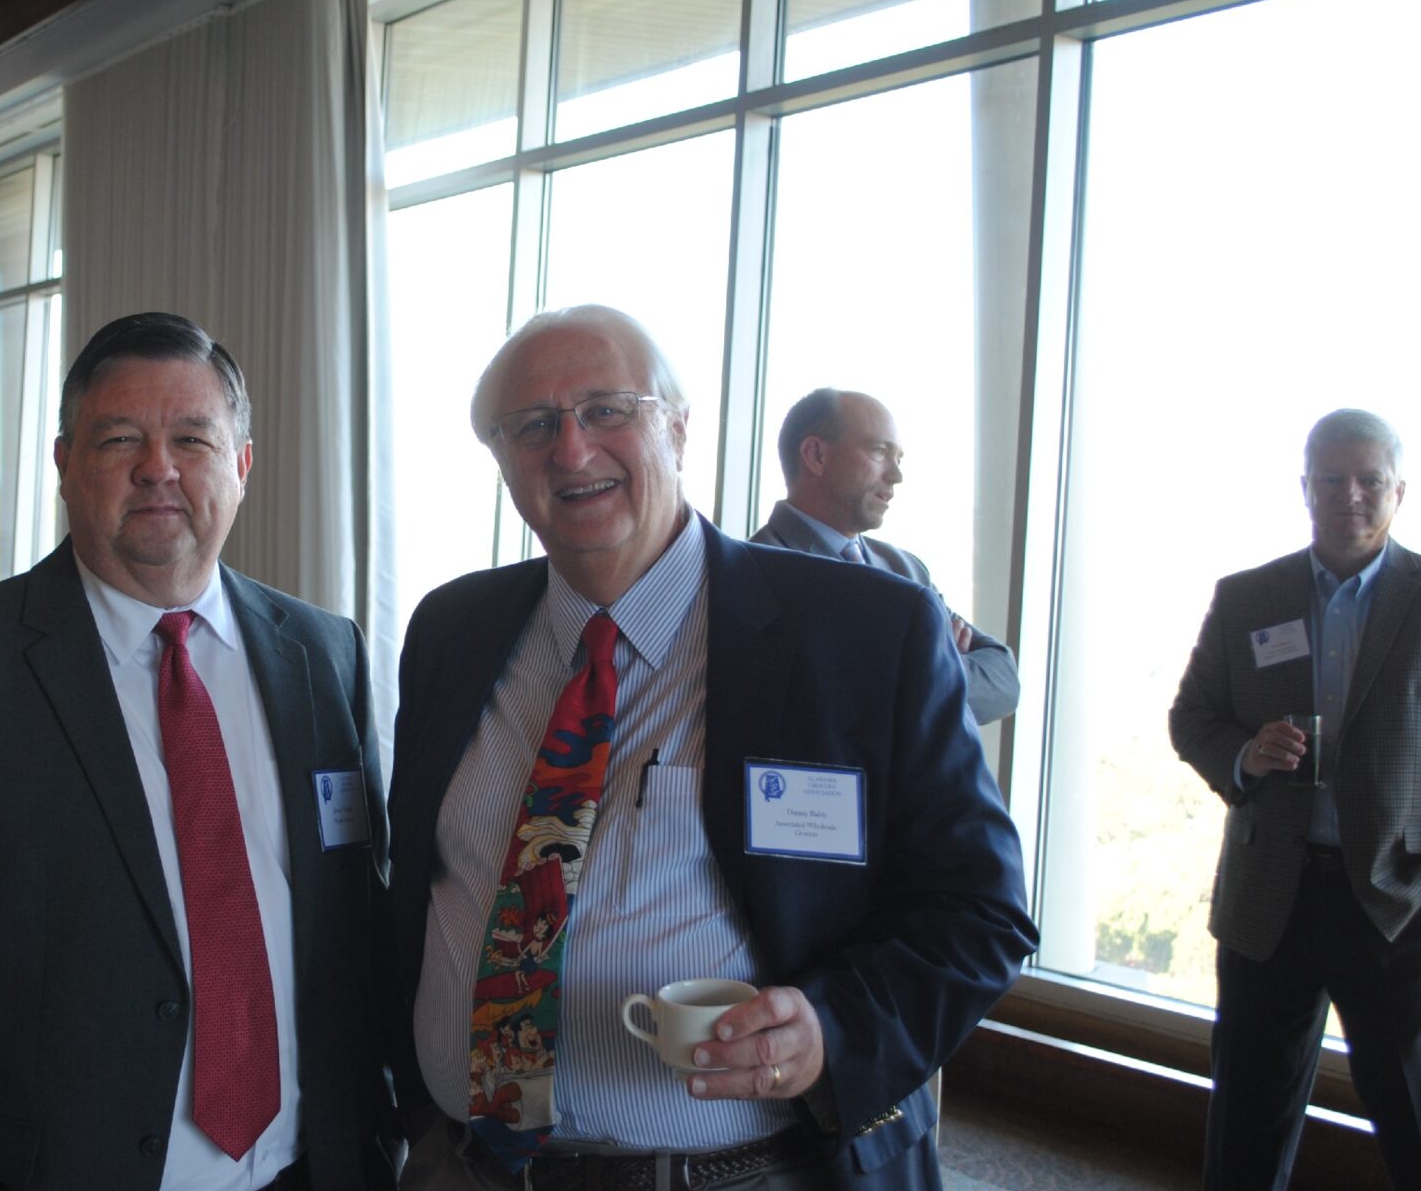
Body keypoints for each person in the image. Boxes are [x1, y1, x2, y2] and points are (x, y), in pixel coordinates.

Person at [387, 305, 1036, 1190]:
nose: (571, 451)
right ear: (500, 459)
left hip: (737, 1171)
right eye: (532, 426)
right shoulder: (452, 629)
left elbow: (979, 909)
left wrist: (829, 1033)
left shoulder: (861, 633)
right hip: (462, 1167)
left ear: (680, 428)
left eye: (608, 410)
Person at [0, 312, 394, 1190]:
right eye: (120, 438)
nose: (158, 467)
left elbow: (357, 921)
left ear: (241, 465)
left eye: (192, 438)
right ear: (65, 464)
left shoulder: (323, 653)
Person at [1168, 408, 1420, 1191]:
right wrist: (1242, 754)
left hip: (1394, 901)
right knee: (1247, 1122)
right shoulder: (1249, 598)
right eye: (1331, 480)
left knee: (1412, 1114)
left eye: (1369, 481)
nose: (1350, 495)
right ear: (1303, 489)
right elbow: (1192, 718)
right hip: (1269, 896)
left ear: (1398, 491)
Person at [750, 389, 1018, 725]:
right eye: (879, 452)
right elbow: (827, 700)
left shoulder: (906, 568)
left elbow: (1004, 680)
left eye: (899, 459)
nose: (896, 475)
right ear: (816, 455)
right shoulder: (758, 570)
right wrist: (937, 658)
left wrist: (900, 671)